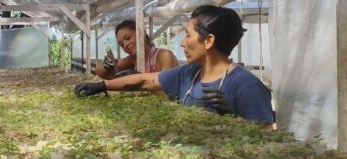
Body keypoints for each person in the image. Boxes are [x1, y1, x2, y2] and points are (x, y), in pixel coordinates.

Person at [75, 6, 274, 125]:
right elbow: (146, 80)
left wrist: (237, 117)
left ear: (208, 41)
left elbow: (270, 139)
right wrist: (101, 86)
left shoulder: (245, 85)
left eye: (188, 35)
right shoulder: (189, 74)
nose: (182, 42)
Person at [95, 20, 179, 79]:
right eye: (121, 44)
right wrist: (107, 66)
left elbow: (167, 87)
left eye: (128, 38)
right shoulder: (133, 59)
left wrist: (138, 77)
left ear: (142, 32)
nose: (125, 45)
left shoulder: (164, 56)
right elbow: (98, 70)